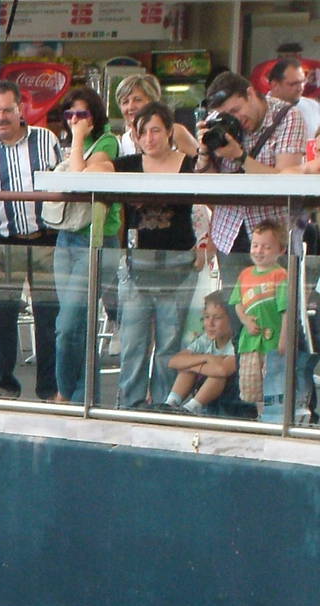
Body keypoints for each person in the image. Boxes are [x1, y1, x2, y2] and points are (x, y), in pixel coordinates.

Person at [90, 102, 198, 408]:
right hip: (136, 264)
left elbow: (208, 167)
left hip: (178, 263)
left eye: (156, 131)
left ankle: (165, 405)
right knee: (133, 344)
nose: (149, 138)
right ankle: (130, 404)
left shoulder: (187, 164)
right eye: (143, 133)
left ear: (168, 132)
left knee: (169, 345)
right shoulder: (128, 164)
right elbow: (95, 169)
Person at [0, 80, 62, 400]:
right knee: (1, 315)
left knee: (49, 318)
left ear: (21, 110)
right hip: (1, 241)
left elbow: (65, 183)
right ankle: (3, 384)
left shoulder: (47, 139)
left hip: (46, 240)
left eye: (7, 110)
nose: (1, 117)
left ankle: (49, 388)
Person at [48, 87, 122, 405]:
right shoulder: (68, 145)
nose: (75, 121)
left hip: (96, 238)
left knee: (69, 323)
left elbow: (80, 177)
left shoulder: (106, 142)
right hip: (67, 236)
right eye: (70, 115)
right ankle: (81, 395)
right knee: (72, 322)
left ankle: (68, 394)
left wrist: (77, 138)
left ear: (95, 116)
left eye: (82, 115)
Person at [196, 71, 304, 262]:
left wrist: (240, 156)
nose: (234, 119)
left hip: (272, 235)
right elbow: (209, 187)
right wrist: (204, 153)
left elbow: (288, 181)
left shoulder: (288, 117)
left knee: (274, 292)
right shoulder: (218, 121)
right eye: (226, 114)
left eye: (236, 110)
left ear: (251, 93)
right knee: (234, 292)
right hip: (229, 234)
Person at [228, 219, 289, 419]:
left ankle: (271, 418)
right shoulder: (245, 274)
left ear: (280, 250)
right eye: (255, 245)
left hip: (272, 341)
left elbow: (286, 310)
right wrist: (245, 320)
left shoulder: (280, 276)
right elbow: (237, 303)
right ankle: (260, 415)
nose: (259, 251)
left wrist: (283, 338)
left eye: (266, 247)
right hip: (250, 342)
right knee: (252, 384)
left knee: (273, 383)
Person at [166, 291, 240, 414]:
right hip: (207, 389)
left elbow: (222, 370)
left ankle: (191, 408)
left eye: (217, 318)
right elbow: (173, 361)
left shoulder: (235, 342)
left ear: (232, 320)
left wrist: (192, 365)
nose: (210, 323)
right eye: (206, 317)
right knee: (186, 369)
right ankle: (170, 404)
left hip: (232, 398)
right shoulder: (206, 339)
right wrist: (206, 358)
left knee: (216, 375)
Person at [113, 73, 198, 156]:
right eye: (125, 102)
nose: (130, 107)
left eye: (138, 100)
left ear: (152, 101)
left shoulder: (176, 132)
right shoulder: (122, 142)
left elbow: (202, 164)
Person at [266, 55, 320, 142]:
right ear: (275, 85)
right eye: (293, 84)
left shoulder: (314, 106)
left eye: (302, 82)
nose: (300, 88)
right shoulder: (260, 110)